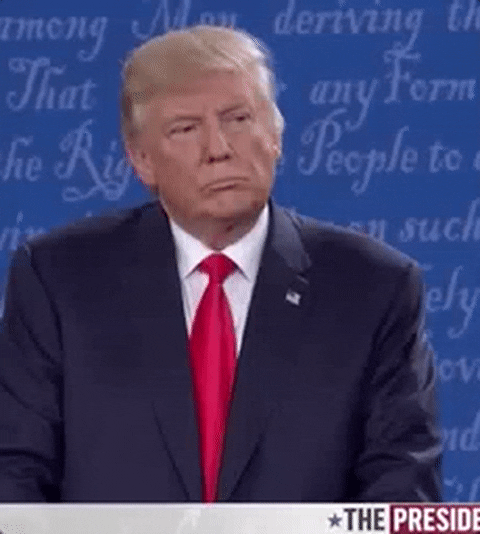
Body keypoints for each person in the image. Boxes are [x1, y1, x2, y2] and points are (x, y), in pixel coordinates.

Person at [0, 25, 442, 502]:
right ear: (141, 160)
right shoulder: (60, 279)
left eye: (238, 119)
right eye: (185, 129)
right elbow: (15, 472)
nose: (218, 149)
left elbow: (402, 487)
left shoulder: (373, 288)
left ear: (276, 134)